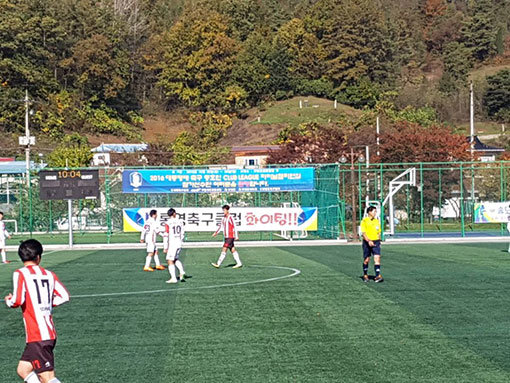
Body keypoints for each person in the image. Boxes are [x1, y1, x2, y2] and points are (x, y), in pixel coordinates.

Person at [4, 239, 70, 383]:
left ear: (21, 256)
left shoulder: (20, 273)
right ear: (38, 257)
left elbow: (17, 300)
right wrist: (47, 304)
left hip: (38, 335)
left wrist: (8, 300)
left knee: (47, 377)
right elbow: (64, 296)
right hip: (46, 333)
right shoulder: (49, 274)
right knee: (23, 370)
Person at [211, 205, 242, 269]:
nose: (224, 211)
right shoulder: (224, 218)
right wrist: (216, 232)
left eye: (224, 210)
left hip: (230, 236)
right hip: (226, 236)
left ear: (227, 210)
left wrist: (236, 236)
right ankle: (239, 263)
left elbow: (234, 227)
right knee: (232, 249)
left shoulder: (230, 217)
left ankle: (218, 263)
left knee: (224, 248)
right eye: (223, 210)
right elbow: (221, 226)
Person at [360, 206, 383, 283]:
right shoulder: (364, 221)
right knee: (367, 260)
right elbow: (363, 233)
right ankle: (365, 275)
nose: (375, 213)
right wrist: (368, 240)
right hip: (367, 242)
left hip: (376, 242)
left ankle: (377, 276)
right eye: (374, 211)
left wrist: (379, 240)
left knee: (377, 258)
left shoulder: (376, 221)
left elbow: (379, 231)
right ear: (369, 212)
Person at [163, 208, 186, 284]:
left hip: (172, 244)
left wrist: (165, 247)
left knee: (170, 260)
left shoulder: (168, 223)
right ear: (174, 213)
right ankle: (182, 272)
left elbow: (166, 235)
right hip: (179, 243)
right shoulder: (180, 221)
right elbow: (182, 233)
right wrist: (181, 240)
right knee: (175, 259)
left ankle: (173, 278)